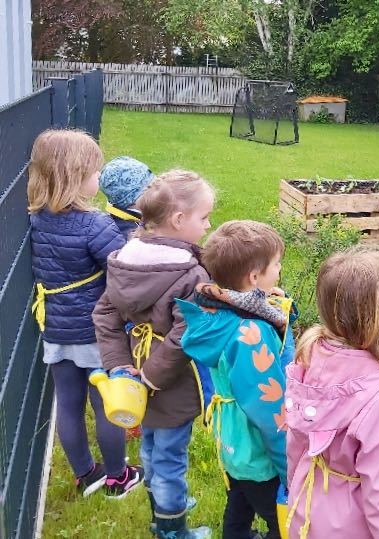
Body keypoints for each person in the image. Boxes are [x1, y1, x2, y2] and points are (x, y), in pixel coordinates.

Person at [93, 170, 215, 539]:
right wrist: (152, 378)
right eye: (204, 218)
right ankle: (172, 527)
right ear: (179, 220)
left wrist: (119, 368)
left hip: (135, 374)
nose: (208, 226)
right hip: (169, 384)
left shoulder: (124, 260)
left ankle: (161, 504)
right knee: (169, 457)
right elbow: (185, 333)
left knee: (150, 444)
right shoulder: (189, 274)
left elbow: (104, 313)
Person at [27, 129, 143, 498]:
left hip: (57, 331)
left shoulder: (35, 219)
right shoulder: (96, 225)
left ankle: (85, 474)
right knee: (106, 402)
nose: (99, 178)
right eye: (95, 172)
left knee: (69, 403)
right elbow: (122, 274)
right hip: (95, 333)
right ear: (76, 177)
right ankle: (117, 477)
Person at [284, 250, 379, 539]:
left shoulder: (308, 360)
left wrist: (295, 492)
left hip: (305, 512)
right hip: (349, 527)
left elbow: (295, 445)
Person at [179, 220, 296, 539]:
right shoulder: (252, 334)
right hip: (258, 448)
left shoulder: (218, 311)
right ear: (254, 277)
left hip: (232, 439)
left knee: (240, 500)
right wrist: (290, 466)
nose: (280, 268)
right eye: (276, 264)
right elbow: (268, 409)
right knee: (281, 520)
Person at [100, 156, 154, 241]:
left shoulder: (131, 216)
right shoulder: (127, 234)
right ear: (133, 198)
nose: (155, 192)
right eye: (150, 188)